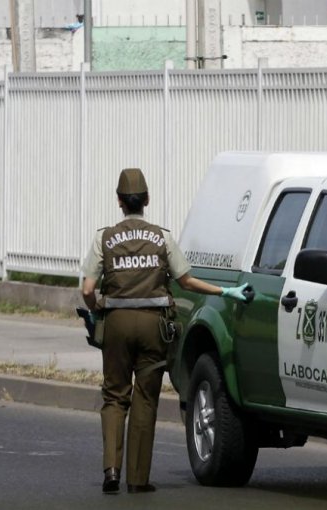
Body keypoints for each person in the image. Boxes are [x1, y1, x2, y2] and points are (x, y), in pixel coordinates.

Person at [81, 168, 248, 494]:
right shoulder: (162, 237)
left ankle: (112, 470)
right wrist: (224, 292)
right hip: (153, 326)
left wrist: (97, 307)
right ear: (146, 200)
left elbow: (88, 288)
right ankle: (138, 479)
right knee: (145, 398)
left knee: (115, 396)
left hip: (115, 323)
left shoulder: (104, 238)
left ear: (119, 201)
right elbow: (185, 280)